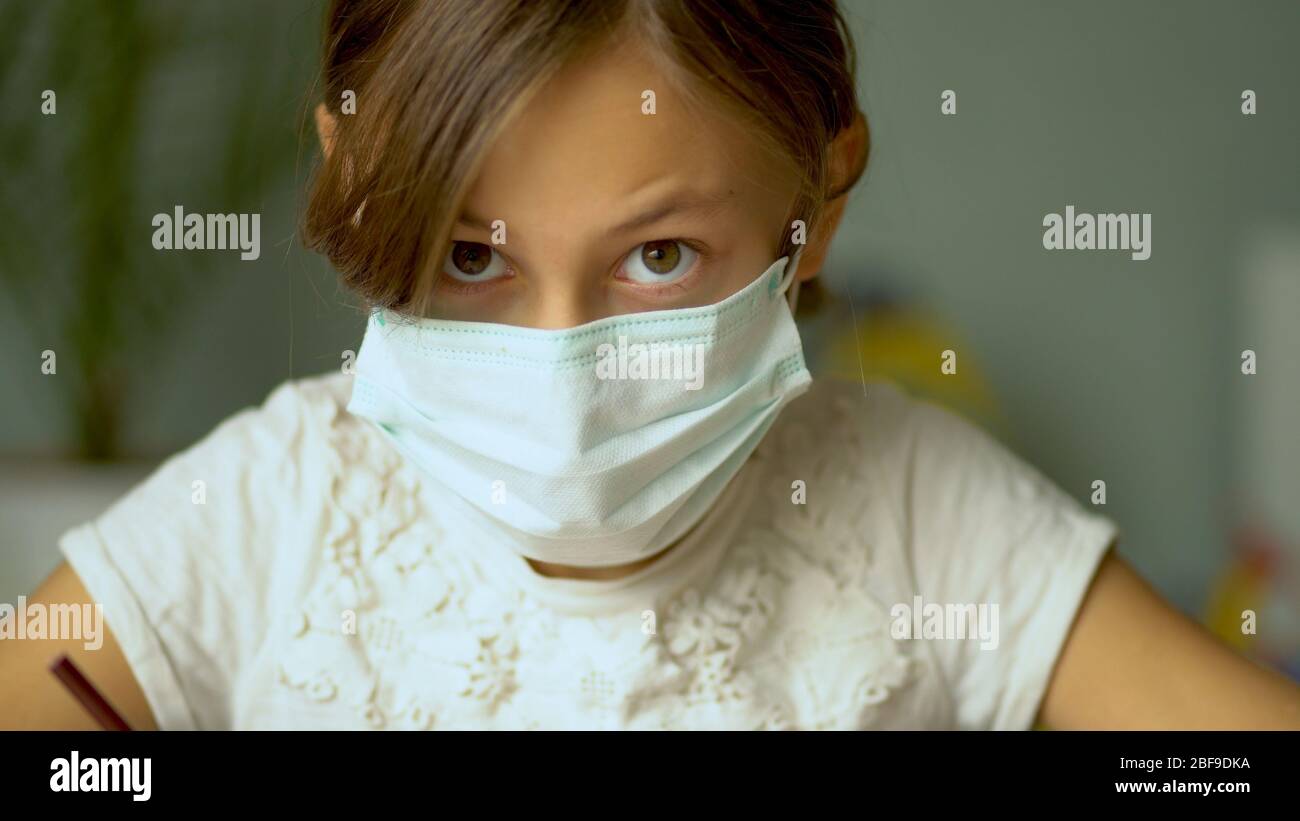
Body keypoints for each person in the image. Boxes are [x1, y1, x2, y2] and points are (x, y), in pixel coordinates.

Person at [3, 0, 1298, 730]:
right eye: (472, 257)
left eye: (660, 256)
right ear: (363, 190)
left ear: (817, 209)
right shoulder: (263, 510)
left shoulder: (914, 513)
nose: (561, 369)